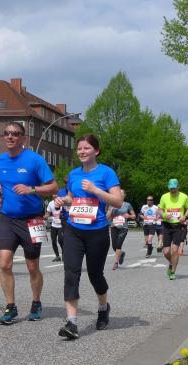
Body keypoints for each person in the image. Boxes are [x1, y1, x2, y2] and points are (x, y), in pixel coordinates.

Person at [54, 134, 122, 339]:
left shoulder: (107, 173)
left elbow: (117, 201)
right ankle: (72, 323)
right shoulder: (73, 174)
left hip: (97, 231)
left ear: (96, 151)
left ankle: (103, 308)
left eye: (86, 148)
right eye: (79, 149)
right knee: (71, 273)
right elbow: (72, 199)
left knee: (95, 275)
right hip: (74, 229)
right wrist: (62, 200)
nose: (82, 152)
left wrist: (95, 190)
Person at [0, 121, 57, 325]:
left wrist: (32, 189)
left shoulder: (35, 160)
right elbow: (0, 185)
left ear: (23, 138)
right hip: (7, 218)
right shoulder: (0, 160)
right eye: (7, 133)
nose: (10, 137)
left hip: (32, 219)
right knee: (4, 264)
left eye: (15, 133)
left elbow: (54, 187)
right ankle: (10, 306)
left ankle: (36, 302)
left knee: (32, 266)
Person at [158, 179, 188, 280]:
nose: (172, 190)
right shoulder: (164, 196)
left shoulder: (184, 196)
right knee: (166, 252)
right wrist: (164, 214)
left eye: (174, 188)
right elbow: (160, 209)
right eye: (171, 188)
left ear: (178, 187)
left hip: (178, 226)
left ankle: (172, 272)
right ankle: (171, 263)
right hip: (167, 225)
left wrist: (184, 216)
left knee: (175, 250)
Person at [108, 189, 135, 270]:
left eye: (121, 193)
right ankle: (121, 254)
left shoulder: (127, 205)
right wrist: (111, 211)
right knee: (114, 246)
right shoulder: (112, 204)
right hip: (114, 227)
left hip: (123, 228)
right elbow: (108, 217)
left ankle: (116, 263)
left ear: (124, 195)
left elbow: (134, 216)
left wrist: (129, 216)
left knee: (118, 245)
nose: (119, 194)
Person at [46, 193, 64, 262]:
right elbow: (48, 213)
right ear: (52, 196)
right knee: (53, 241)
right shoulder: (50, 203)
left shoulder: (62, 202)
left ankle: (64, 254)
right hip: (54, 225)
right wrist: (45, 216)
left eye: (56, 194)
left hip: (61, 225)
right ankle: (57, 256)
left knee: (60, 240)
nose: (55, 195)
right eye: (53, 194)